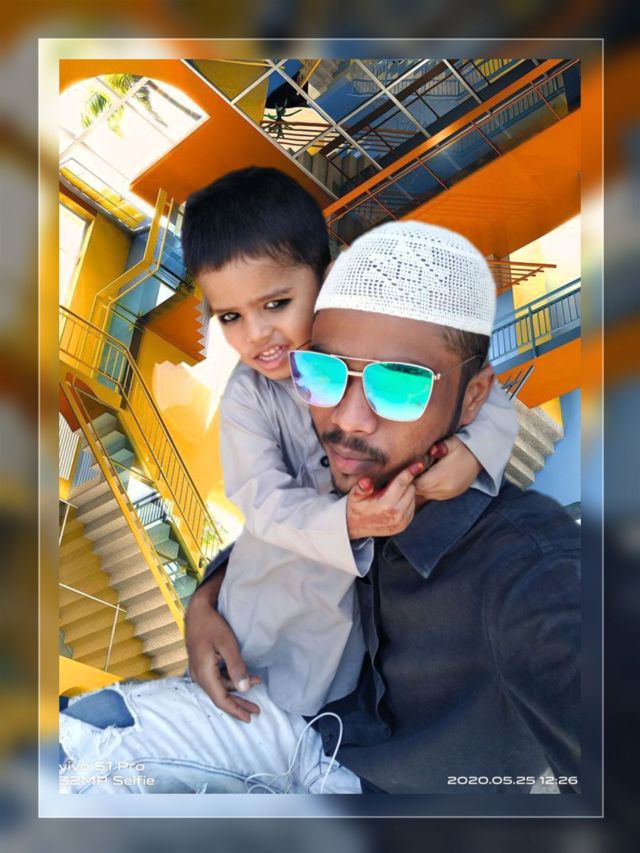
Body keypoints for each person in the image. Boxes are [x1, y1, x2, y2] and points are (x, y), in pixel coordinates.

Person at [59, 219, 579, 795]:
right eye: (323, 371)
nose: (347, 420)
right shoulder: (318, 453)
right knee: (77, 751)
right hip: (284, 719)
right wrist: (204, 602)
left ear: (474, 397)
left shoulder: (529, 571)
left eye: (400, 386)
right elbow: (278, 525)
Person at [180, 167, 518, 717]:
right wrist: (349, 523)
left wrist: (475, 451)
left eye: (275, 304)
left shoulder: (378, 344)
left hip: (350, 637)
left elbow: (484, 395)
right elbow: (261, 503)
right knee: (245, 713)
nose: (256, 334)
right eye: (231, 316)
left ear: (328, 278)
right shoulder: (249, 396)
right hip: (261, 616)